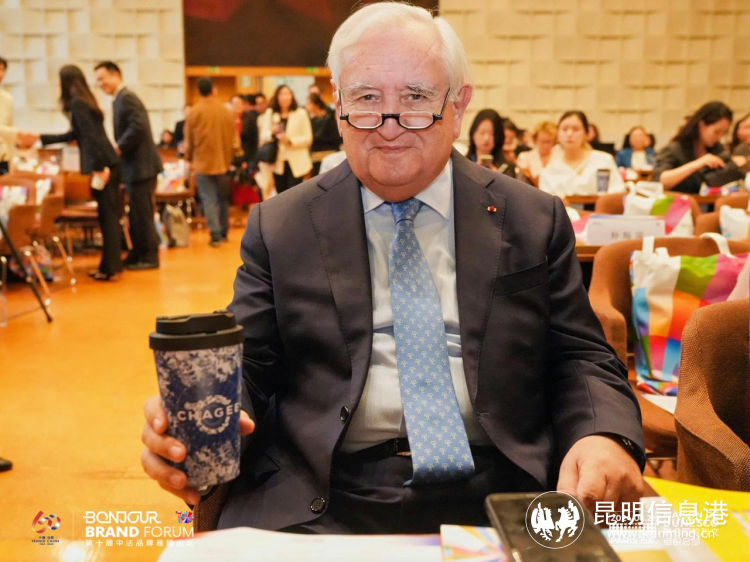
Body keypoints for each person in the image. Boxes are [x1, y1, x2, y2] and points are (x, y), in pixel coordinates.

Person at [141, 2, 644, 534]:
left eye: (416, 98)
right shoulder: (281, 225)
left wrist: (602, 435)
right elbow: (252, 363)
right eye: (366, 99)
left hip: (502, 486)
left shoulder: (531, 218)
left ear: (458, 105)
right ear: (338, 105)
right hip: (322, 493)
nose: (389, 125)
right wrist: (202, 413)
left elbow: (580, 355)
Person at [32, 65, 122, 281]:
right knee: (109, 217)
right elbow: (77, 135)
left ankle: (110, 268)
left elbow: (91, 138)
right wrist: (41, 138)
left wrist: (99, 169)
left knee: (108, 218)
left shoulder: (77, 104)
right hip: (108, 162)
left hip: (104, 166)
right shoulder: (85, 101)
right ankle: (111, 266)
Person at [95, 61, 162, 271]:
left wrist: (119, 148)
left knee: (142, 214)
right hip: (135, 168)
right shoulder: (119, 99)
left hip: (142, 167)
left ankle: (149, 256)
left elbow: (138, 126)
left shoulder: (127, 98)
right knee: (135, 215)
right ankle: (137, 253)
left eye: (102, 78)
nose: (100, 84)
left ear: (116, 75)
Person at [185, 77, 239, 247]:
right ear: (214, 90)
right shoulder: (225, 111)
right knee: (222, 199)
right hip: (223, 162)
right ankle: (224, 232)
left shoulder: (194, 112)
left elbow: (189, 141)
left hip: (202, 164)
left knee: (208, 199)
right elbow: (234, 139)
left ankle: (214, 234)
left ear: (199, 91)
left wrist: (188, 158)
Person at [653, 101, 743, 193]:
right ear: (702, 125)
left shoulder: (717, 149)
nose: (719, 137)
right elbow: (660, 181)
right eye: (716, 132)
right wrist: (700, 162)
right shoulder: (676, 149)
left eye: (723, 133)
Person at [539, 110, 624, 196]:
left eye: (576, 129)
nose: (569, 134)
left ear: (586, 134)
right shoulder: (549, 170)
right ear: (558, 134)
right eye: (564, 129)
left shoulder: (604, 161)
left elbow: (618, 192)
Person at [258, 85, 313, 193]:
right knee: (281, 193)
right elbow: (263, 136)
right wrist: (272, 134)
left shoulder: (300, 113)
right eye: (282, 94)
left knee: (294, 194)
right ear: (277, 97)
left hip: (297, 161)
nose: (285, 97)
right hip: (277, 161)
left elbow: (308, 138)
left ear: (292, 96)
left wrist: (290, 140)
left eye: (287, 94)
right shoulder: (271, 113)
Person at [465, 109, 514, 178]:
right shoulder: (462, 164)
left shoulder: (506, 168)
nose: (486, 138)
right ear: (473, 134)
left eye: (491, 134)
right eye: (482, 133)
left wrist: (497, 177)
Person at [307, 93, 342, 175]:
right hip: (315, 156)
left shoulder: (329, 117)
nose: (307, 106)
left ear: (316, 105)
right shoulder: (312, 120)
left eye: (309, 103)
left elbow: (335, 137)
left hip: (330, 154)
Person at [0, 57, 13, 175]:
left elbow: (10, 133)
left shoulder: (7, 99)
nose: (1, 74)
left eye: (3, 70)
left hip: (3, 159)